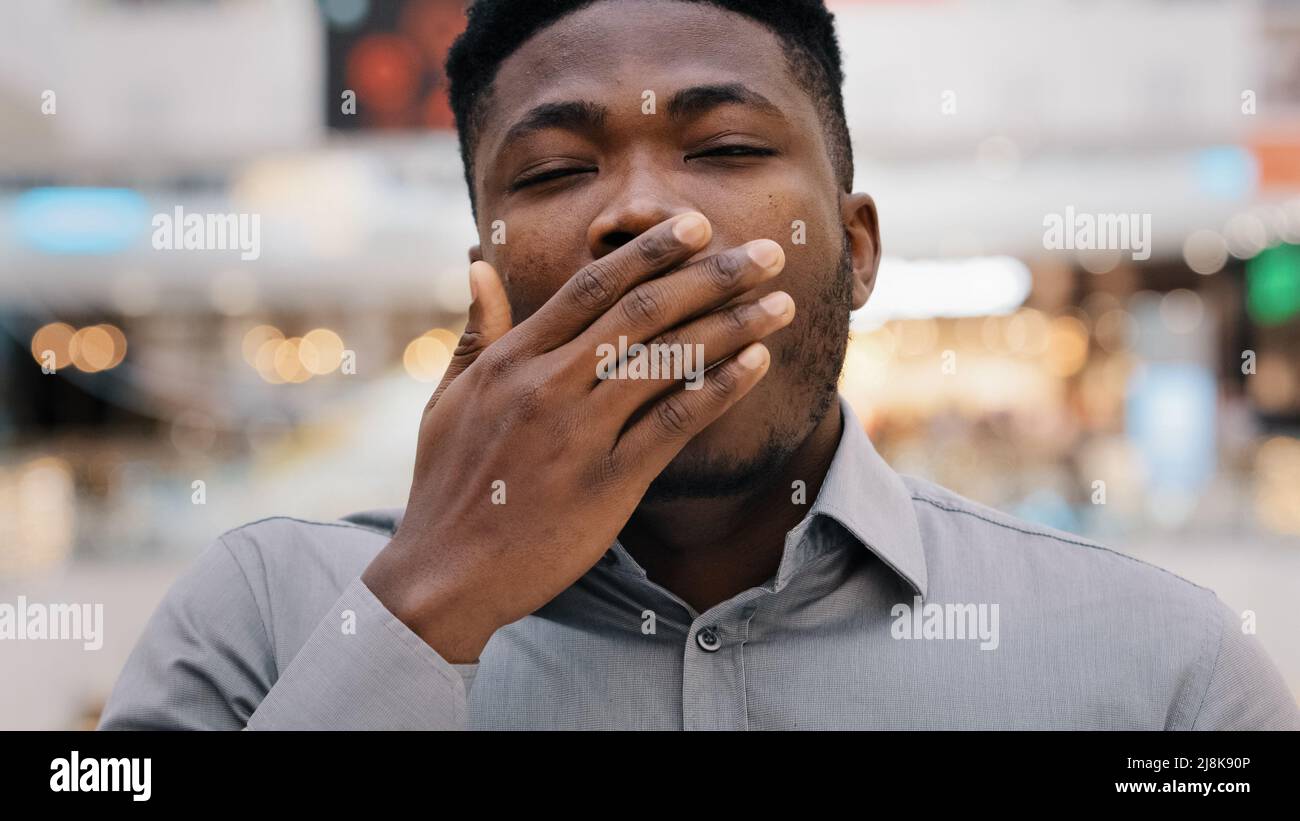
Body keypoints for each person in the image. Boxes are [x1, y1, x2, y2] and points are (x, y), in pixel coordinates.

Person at [99, 0, 1298, 730]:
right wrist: (429, 604)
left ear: (858, 247)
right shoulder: (262, 621)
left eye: (723, 146)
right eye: (558, 170)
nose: (644, 216)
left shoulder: (1157, 671)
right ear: (486, 278)